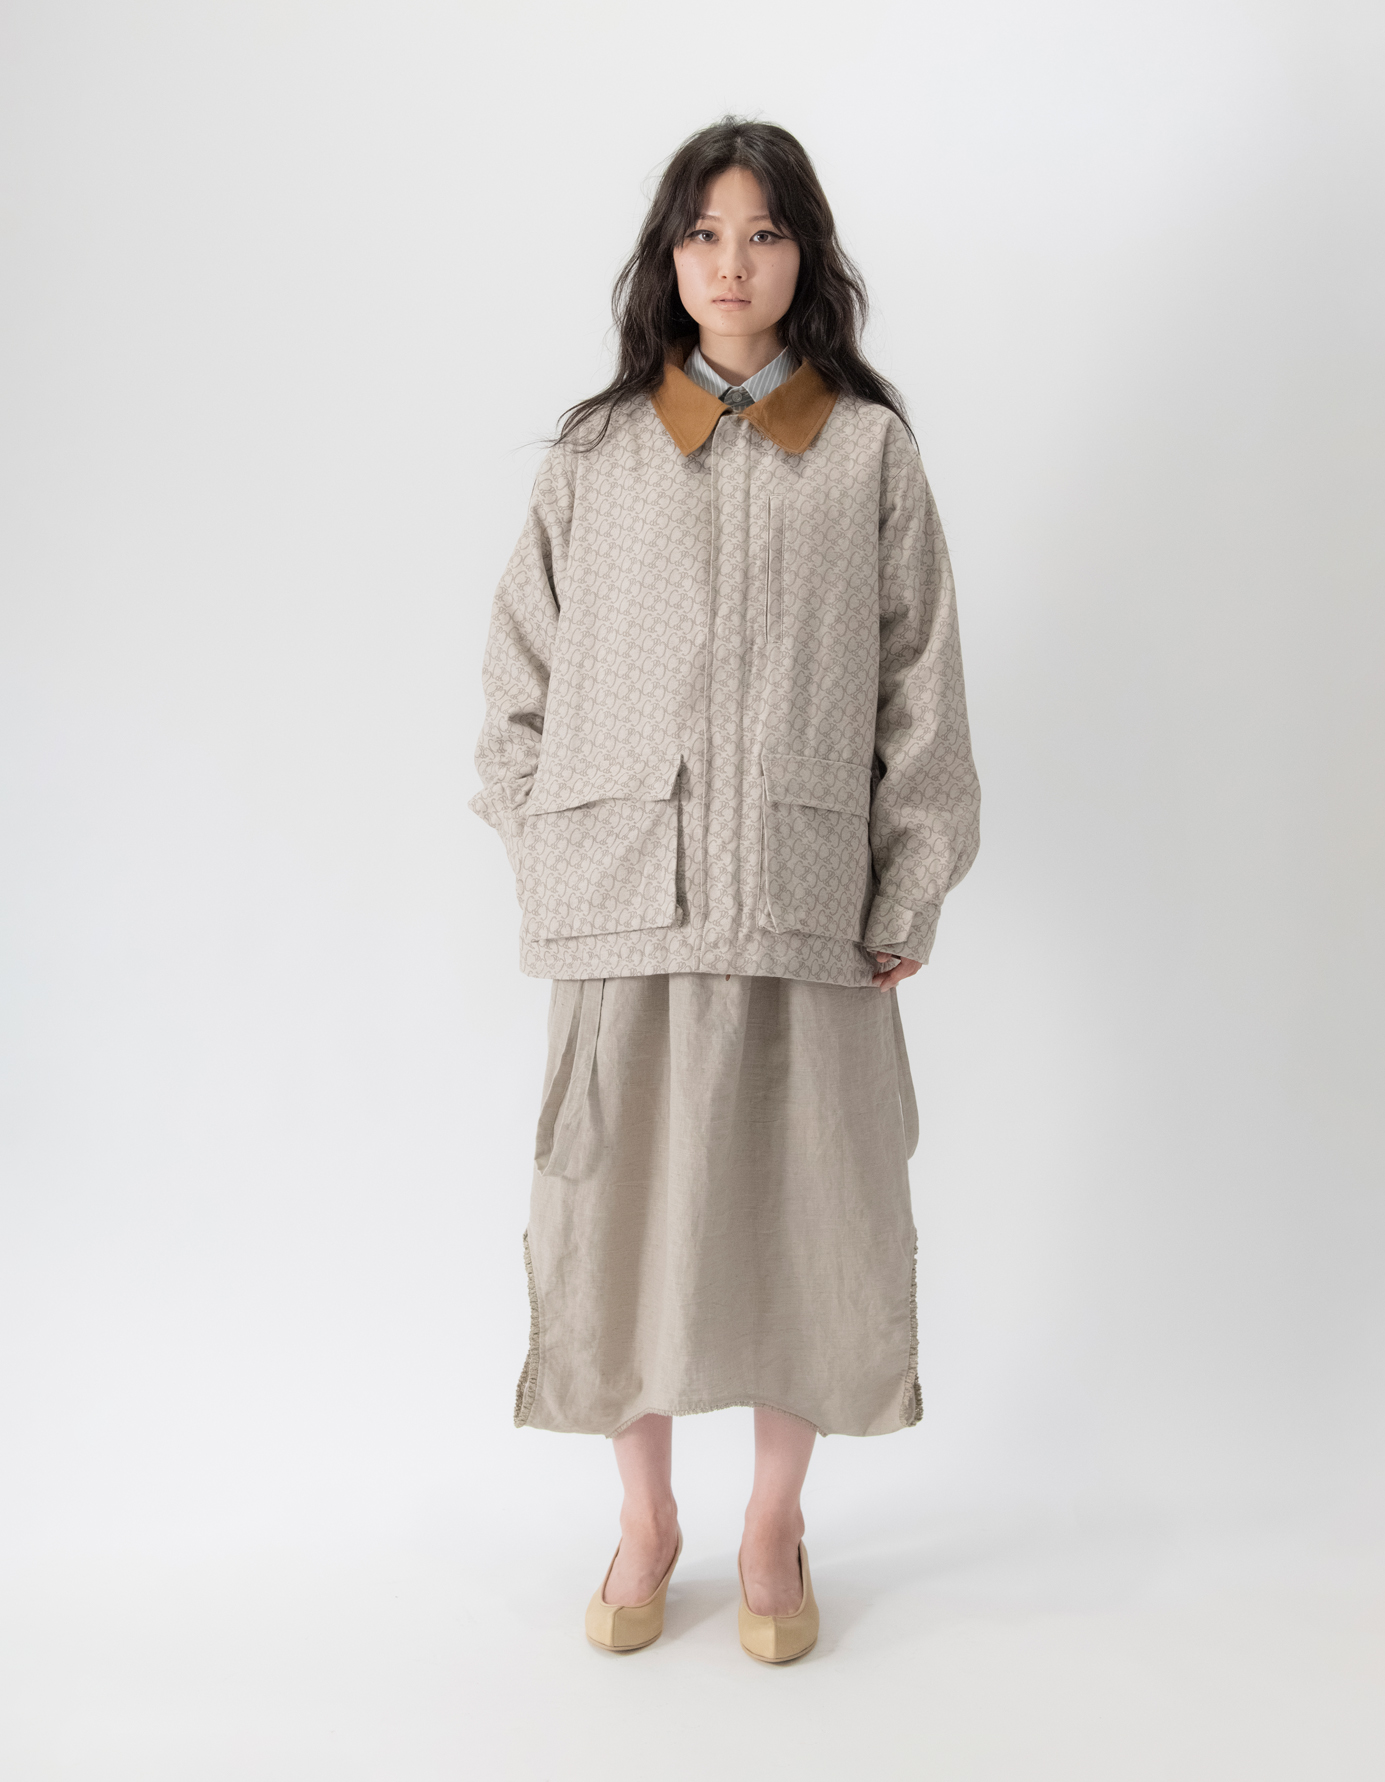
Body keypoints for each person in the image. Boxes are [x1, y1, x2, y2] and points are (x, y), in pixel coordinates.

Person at [470, 116, 979, 1662]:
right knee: (613, 1223)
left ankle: (772, 1522)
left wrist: (906, 884)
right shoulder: (597, 453)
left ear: (806, 255)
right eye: (704, 233)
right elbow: (514, 691)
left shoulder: (868, 453)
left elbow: (923, 694)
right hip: (622, 911)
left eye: (763, 233)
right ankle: (647, 1519)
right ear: (669, 258)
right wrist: (556, 852)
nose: (732, 263)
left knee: (805, 1222)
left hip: (806, 907)